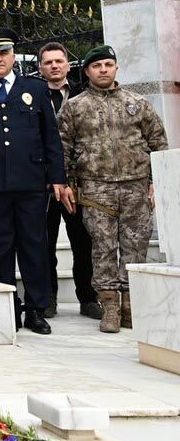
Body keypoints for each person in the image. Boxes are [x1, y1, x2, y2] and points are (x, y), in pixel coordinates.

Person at [0, 27, 67, 335]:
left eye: (3, 52)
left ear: (12, 55)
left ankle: (36, 308)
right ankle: (7, 306)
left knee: (34, 245)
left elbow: (51, 137)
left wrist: (57, 176)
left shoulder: (35, 88)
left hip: (32, 181)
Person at [58, 44, 168, 333]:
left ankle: (131, 306)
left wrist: (158, 183)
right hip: (96, 189)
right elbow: (63, 149)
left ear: (116, 67)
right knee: (103, 248)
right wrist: (68, 185)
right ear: (87, 71)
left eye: (108, 64)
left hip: (136, 186)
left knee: (136, 247)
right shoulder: (74, 106)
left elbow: (158, 144)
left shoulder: (138, 103)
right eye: (97, 66)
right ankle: (109, 307)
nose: (103, 70)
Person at [38, 42, 98, 319]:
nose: (54, 66)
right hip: (45, 183)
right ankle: (48, 298)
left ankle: (87, 297)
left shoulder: (84, 93)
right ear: (40, 67)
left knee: (82, 241)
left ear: (68, 65)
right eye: (48, 62)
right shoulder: (33, 94)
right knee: (44, 243)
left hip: (79, 181)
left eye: (58, 61)